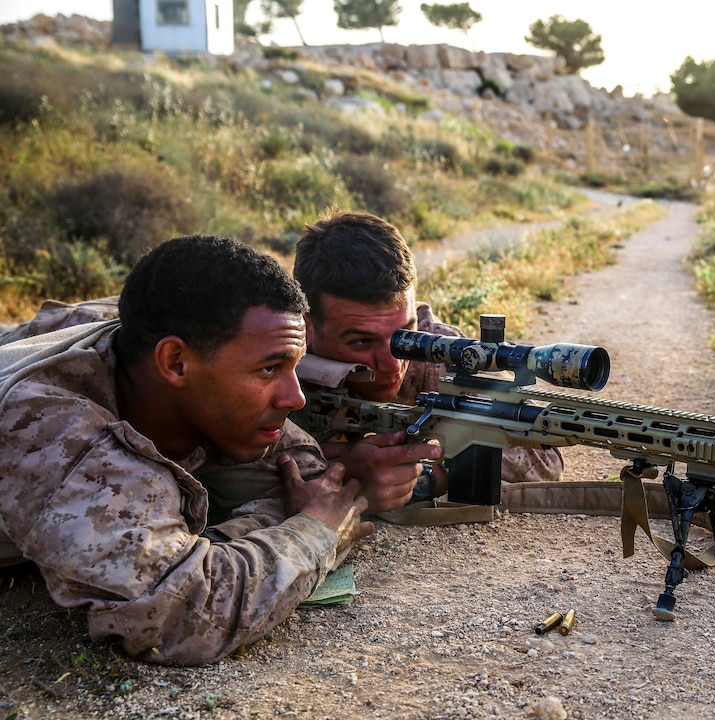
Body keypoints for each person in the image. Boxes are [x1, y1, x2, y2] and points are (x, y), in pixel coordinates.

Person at [0, 235, 439, 665]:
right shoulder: (52, 425)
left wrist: (295, 515)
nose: (295, 398)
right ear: (175, 363)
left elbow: (309, 480)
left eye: (293, 367)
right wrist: (315, 532)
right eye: (269, 368)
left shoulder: (181, 357)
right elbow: (180, 615)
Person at [292, 211, 564, 498]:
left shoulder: (438, 351)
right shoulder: (274, 365)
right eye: (361, 341)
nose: (392, 364)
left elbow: (544, 461)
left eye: (404, 335)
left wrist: (430, 472)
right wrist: (338, 470)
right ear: (306, 327)